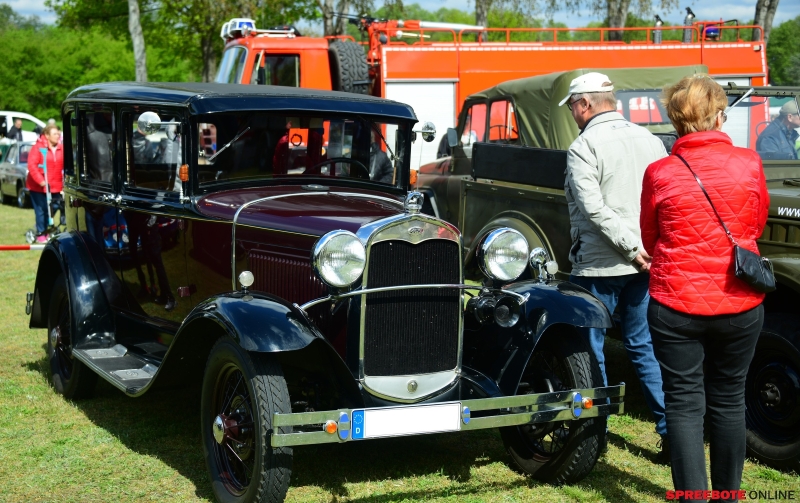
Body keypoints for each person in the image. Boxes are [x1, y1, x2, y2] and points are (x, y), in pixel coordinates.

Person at [640, 75, 769, 502]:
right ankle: (728, 496)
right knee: (730, 401)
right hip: (738, 301)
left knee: (683, 404)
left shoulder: (659, 172)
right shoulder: (749, 162)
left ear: (675, 120)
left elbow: (650, 237)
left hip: (675, 302)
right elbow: (754, 226)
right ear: (718, 115)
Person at [560, 72, 669, 455]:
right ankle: (670, 432)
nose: (573, 113)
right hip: (644, 263)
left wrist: (627, 246)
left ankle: (595, 435)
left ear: (586, 104)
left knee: (590, 349)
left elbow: (592, 210)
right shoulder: (652, 140)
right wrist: (645, 249)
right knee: (644, 345)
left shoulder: (583, 146)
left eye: (574, 106)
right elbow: (664, 199)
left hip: (599, 266)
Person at [26, 124, 64, 243]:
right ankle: (41, 234)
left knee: (56, 206)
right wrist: (41, 181)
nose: (58, 136)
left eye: (58, 133)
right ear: (47, 135)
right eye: (55, 134)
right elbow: (32, 165)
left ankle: (41, 226)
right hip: (38, 186)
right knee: (41, 209)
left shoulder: (61, 148)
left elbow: (66, 165)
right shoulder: (38, 147)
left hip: (55, 185)